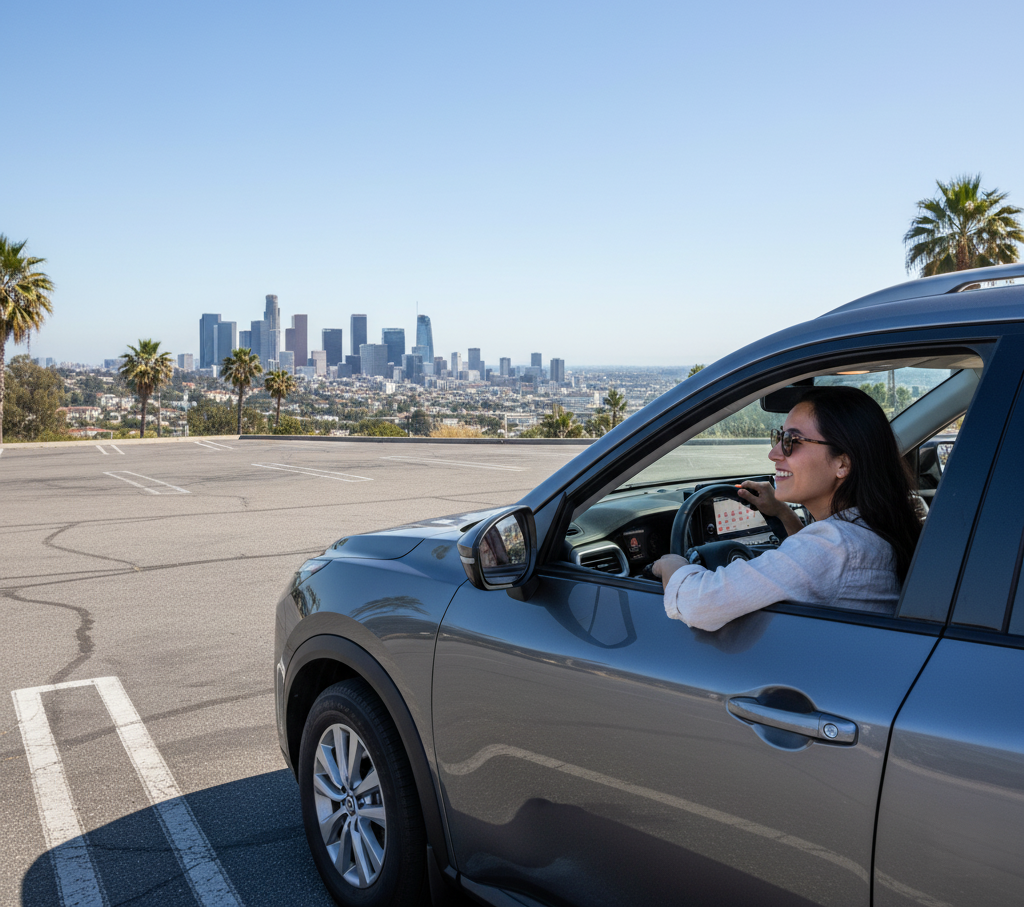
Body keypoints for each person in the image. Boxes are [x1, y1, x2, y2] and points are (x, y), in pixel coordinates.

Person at [651, 386, 923, 631]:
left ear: (842, 464)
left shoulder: (833, 546)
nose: (774, 453)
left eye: (792, 441)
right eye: (778, 437)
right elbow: (815, 570)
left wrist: (673, 565)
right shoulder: (870, 526)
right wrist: (782, 512)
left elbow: (699, 603)